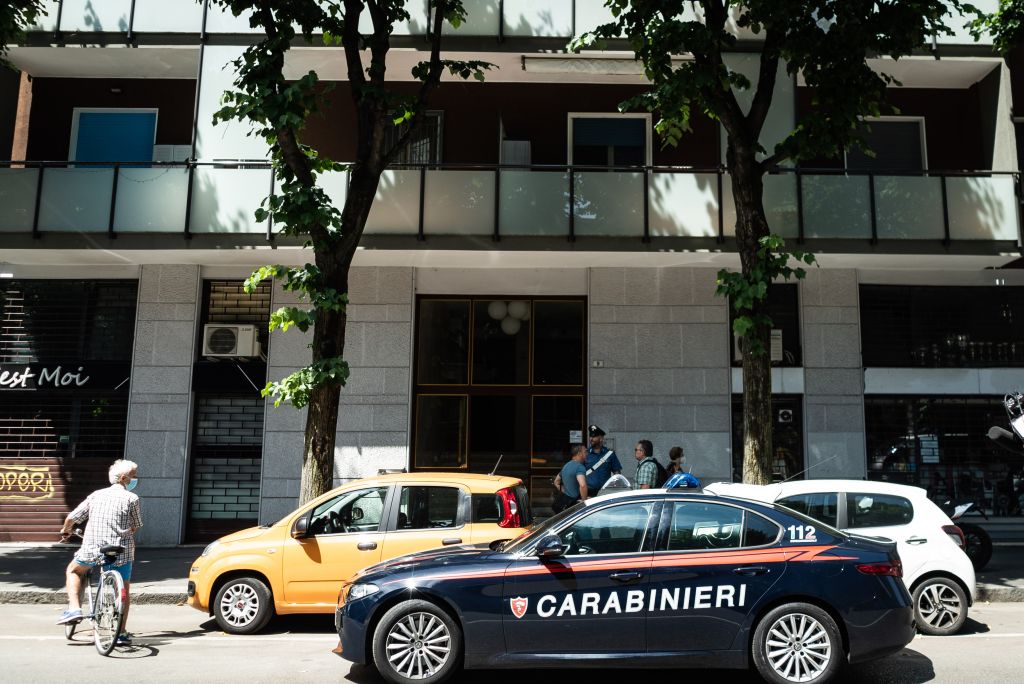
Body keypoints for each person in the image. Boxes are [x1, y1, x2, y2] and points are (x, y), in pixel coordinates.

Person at [57, 459, 142, 646]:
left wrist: (65, 530)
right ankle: (120, 633)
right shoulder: (132, 498)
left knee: (74, 570)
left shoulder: (96, 495)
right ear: (123, 478)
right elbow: (135, 526)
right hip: (121, 550)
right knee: (123, 589)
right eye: (134, 476)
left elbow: (72, 518)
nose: (136, 479)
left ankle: (74, 608)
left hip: (93, 548)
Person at [553, 444, 588, 512]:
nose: (587, 454)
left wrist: (564, 491)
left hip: (565, 504)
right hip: (573, 505)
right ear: (579, 453)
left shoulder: (566, 465)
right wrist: (584, 502)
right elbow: (582, 485)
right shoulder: (580, 467)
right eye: (585, 451)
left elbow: (556, 482)